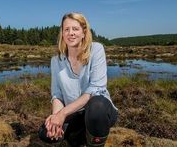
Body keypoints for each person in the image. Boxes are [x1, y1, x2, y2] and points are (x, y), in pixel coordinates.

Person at [38, 12, 118, 147]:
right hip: (75, 113)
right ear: (62, 34)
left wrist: (62, 114)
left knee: (96, 106)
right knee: (46, 133)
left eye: (75, 29)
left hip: (100, 111)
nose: (71, 33)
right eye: (66, 29)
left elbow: (94, 90)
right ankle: (80, 136)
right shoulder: (56, 60)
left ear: (83, 32)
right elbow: (57, 95)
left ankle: (95, 142)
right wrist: (56, 118)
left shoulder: (96, 49)